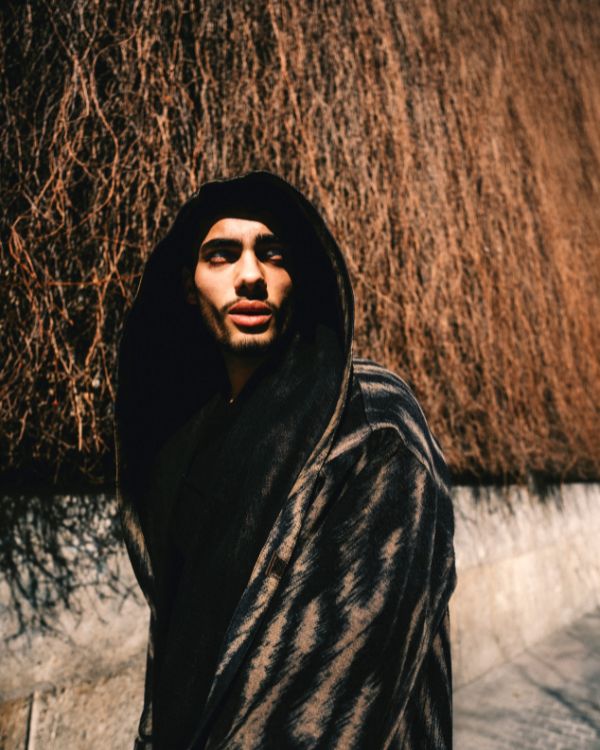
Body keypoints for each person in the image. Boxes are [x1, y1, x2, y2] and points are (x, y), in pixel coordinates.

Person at [115, 171, 456, 750]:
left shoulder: (372, 425)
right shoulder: (182, 440)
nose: (251, 275)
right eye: (222, 255)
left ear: (301, 278)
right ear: (187, 284)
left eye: (273, 255)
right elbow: (176, 641)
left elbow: (340, 692)